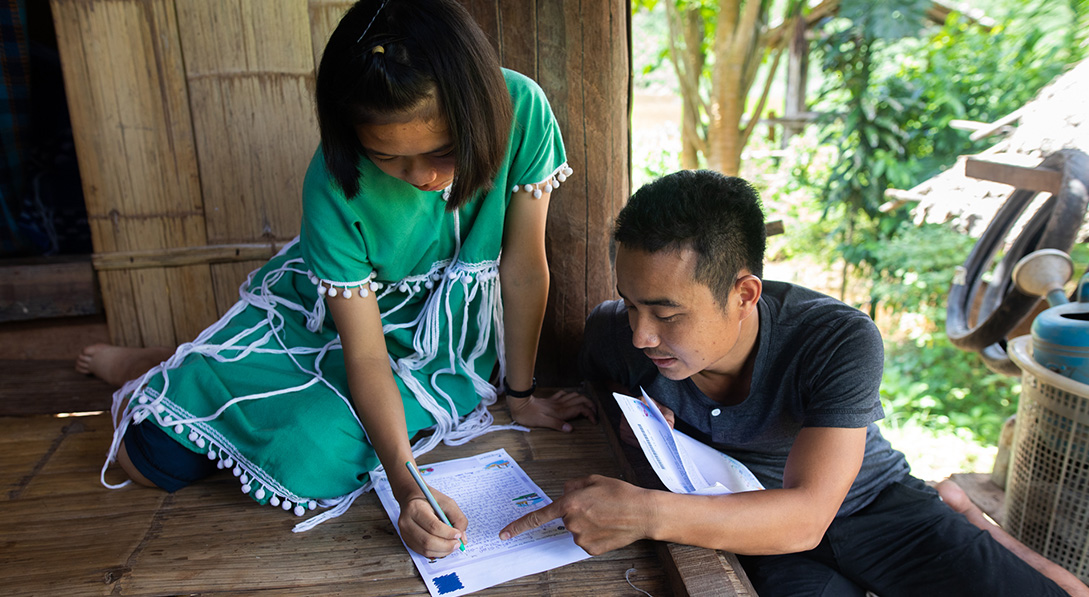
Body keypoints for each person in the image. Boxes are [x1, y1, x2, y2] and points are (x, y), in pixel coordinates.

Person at [82, 0, 594, 559]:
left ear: (481, 112)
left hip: (443, 338)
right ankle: (164, 368)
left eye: (445, 151)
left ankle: (204, 367)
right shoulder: (332, 181)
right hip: (329, 318)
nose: (424, 177)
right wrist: (408, 488)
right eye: (389, 159)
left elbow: (522, 268)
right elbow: (368, 357)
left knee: (316, 458)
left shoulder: (522, 109)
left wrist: (520, 395)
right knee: (155, 458)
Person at [500, 169, 1086, 596]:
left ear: (745, 294)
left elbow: (808, 515)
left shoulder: (836, 339)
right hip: (745, 519)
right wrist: (621, 417)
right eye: (630, 305)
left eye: (667, 313)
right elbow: (607, 385)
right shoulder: (613, 336)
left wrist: (646, 512)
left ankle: (961, 514)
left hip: (875, 508)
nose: (641, 336)